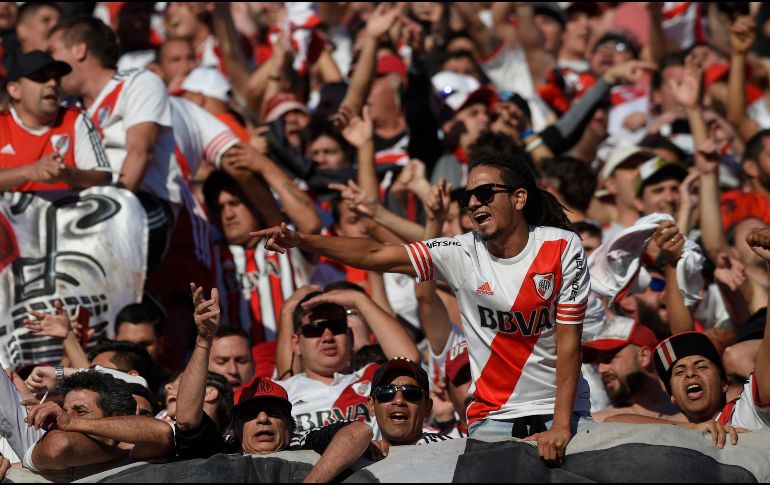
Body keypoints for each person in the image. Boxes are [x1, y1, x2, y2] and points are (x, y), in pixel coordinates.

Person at [253, 153, 592, 465]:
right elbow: (374, 255)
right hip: (493, 419)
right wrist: (302, 240)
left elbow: (569, 343)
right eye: (467, 196)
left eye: (485, 193)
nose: (473, 203)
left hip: (562, 410)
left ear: (519, 198)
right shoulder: (460, 252)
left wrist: (560, 427)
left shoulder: (562, 246)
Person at [174, 284, 381, 483]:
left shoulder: (301, 443)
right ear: (235, 429)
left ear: (290, 428)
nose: (263, 418)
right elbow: (186, 420)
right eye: (251, 414)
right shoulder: (224, 448)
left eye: (274, 412)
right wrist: (203, 341)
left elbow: (359, 432)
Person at [607, 226, 770, 445]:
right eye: (679, 371)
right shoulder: (671, 430)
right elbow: (613, 422)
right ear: (672, 395)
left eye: (702, 366)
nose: (690, 374)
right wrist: (692, 429)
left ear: (724, 382)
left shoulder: (748, 411)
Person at [48, 16, 182, 274]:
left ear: (80, 49)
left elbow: (141, 152)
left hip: (141, 205)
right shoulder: (68, 110)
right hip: (85, 210)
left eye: (53, 52)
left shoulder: (139, 83)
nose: (48, 64)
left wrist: (113, 209)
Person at [0, 50, 110, 191]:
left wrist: (66, 174)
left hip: (68, 210)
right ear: (15, 90)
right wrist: (29, 172)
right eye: (41, 78)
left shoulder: (75, 119)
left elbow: (103, 178)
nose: (52, 83)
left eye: (56, 78)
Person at [22, 369, 174, 472]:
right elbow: (58, 446)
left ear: (118, 417)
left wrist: (71, 423)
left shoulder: (137, 451)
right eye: (64, 410)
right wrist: (121, 453)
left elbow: (162, 432)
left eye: (80, 411)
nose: (62, 417)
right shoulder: (45, 442)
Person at [582, 317, 685, 423]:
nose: (601, 369)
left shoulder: (692, 410)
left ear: (644, 356)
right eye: (597, 363)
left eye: (609, 359)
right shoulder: (596, 423)